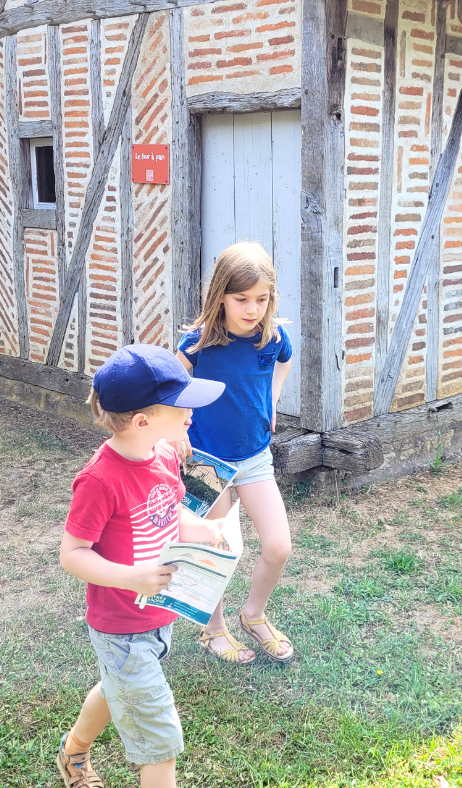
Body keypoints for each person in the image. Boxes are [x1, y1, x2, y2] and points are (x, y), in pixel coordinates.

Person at [56, 345, 228, 788]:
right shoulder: (99, 480)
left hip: (158, 614)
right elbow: (72, 554)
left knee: (116, 690)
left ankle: (72, 751)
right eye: (182, 405)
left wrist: (202, 530)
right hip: (120, 625)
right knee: (162, 739)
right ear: (143, 421)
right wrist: (132, 577)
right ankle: (76, 753)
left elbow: (169, 510)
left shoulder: (164, 454)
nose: (191, 413)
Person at [175, 241, 297, 665]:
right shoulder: (199, 343)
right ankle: (212, 631)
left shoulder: (273, 336)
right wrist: (178, 426)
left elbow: (284, 360)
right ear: (220, 295)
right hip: (207, 462)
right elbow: (171, 385)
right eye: (241, 299)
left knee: (278, 546)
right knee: (218, 550)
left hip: (255, 457)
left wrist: (274, 398)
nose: (252, 309)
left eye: (261, 299)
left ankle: (254, 615)